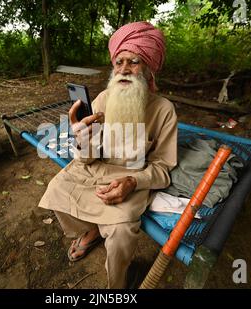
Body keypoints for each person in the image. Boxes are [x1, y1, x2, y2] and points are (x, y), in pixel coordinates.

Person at [38, 21, 178, 288]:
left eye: (134, 61)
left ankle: (117, 286)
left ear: (148, 69)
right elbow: (86, 158)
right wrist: (81, 136)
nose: (124, 69)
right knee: (55, 189)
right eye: (119, 62)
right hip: (92, 170)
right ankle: (90, 231)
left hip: (130, 178)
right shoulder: (102, 99)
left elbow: (163, 166)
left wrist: (133, 182)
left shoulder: (164, 110)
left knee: (122, 232)